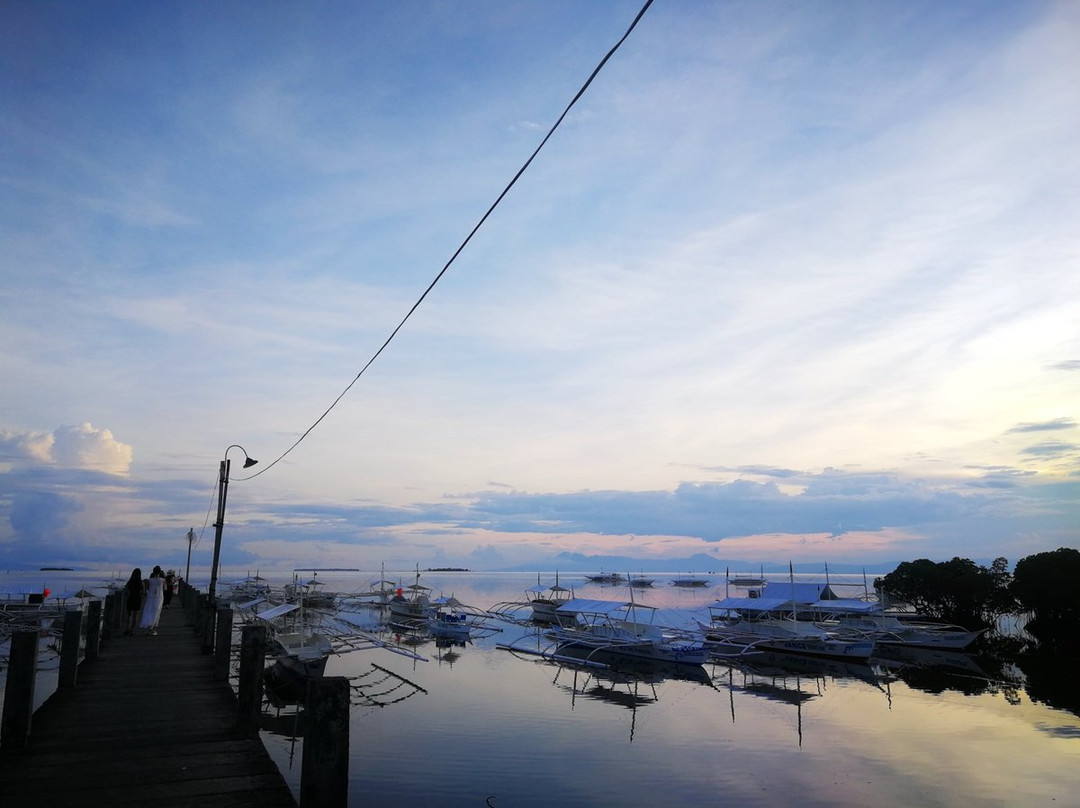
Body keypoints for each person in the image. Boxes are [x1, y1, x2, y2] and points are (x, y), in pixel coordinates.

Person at [139, 566, 166, 635]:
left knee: (149, 612)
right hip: (159, 597)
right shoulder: (162, 580)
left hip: (150, 597)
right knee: (157, 613)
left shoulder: (150, 580)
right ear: (160, 572)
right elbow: (165, 589)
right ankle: (153, 629)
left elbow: (148, 589)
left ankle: (149, 628)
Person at [123, 568, 143, 636]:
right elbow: (143, 592)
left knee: (128, 614)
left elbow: (126, 588)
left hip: (131, 597)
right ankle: (132, 630)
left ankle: (127, 628)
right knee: (135, 614)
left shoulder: (130, 582)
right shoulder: (141, 582)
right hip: (137, 598)